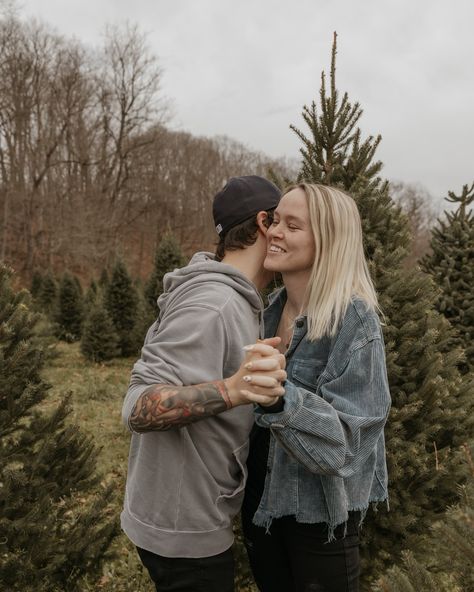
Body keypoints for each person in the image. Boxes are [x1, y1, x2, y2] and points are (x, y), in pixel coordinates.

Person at [121, 175, 287, 592]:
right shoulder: (215, 304)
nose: (286, 235)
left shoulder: (236, 299)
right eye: (282, 224)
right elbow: (139, 406)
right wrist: (234, 389)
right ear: (264, 222)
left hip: (186, 514)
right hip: (184, 531)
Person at [241, 183, 391, 592]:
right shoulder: (267, 312)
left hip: (319, 520)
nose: (273, 232)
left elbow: (351, 443)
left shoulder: (354, 321)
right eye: (275, 221)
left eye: (293, 225)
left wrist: (280, 397)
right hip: (261, 506)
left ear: (327, 241)